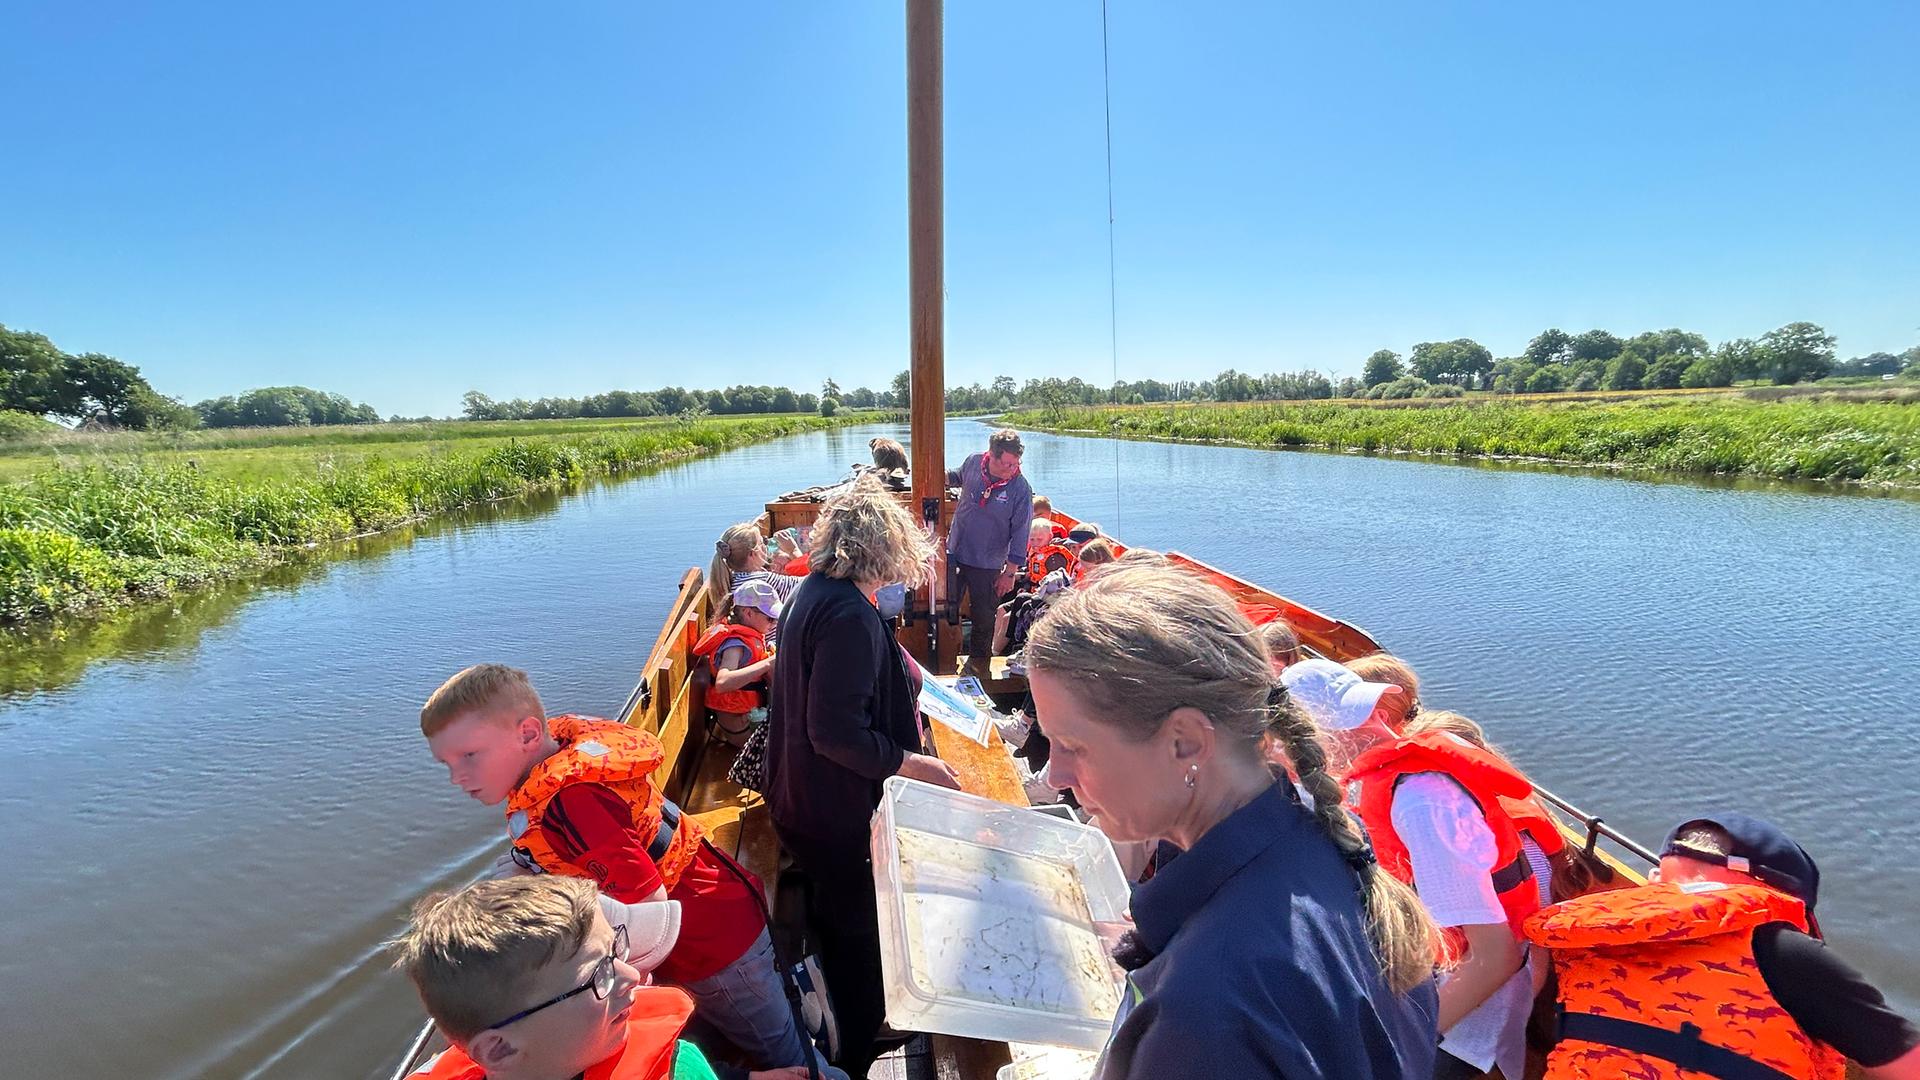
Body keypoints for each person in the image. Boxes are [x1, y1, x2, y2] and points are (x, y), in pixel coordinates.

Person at [1024, 562, 1440, 1078]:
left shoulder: (1201, 1014)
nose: (1057, 775)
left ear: (1187, 741)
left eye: (1071, 746)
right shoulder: (1324, 843)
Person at [420, 664, 843, 1080]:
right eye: (447, 764)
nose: (457, 777)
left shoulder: (573, 802)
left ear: (528, 734)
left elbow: (649, 903)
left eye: (469, 756)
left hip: (715, 949)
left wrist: (620, 980)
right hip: (721, 911)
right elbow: (545, 855)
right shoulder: (554, 772)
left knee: (786, 1054)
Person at [764, 475, 961, 1077]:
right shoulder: (847, 613)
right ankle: (861, 1038)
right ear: (887, 548)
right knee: (855, 927)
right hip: (832, 812)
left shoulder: (815, 591)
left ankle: (850, 1012)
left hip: (799, 795)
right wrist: (914, 762)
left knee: (838, 911)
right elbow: (836, 734)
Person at [1282, 657, 1553, 1080]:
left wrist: (1401, 1041)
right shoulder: (1368, 777)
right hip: (1426, 972)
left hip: (1467, 1017)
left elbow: (1494, 957)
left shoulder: (1424, 803)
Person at [1526, 814, 1920, 1079]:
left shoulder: (1587, 935)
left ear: (1657, 878)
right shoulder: (1785, 950)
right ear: (1775, 893)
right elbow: (1908, 1067)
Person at [391, 875, 813, 1080]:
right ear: (498, 1049)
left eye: (617, 951)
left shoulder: (677, 1064)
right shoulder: (678, 1068)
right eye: (599, 976)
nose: (634, 976)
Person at [944, 428, 1033, 667]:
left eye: (1015, 464)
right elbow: (958, 476)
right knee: (946, 610)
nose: (1011, 469)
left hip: (988, 563)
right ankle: (944, 659)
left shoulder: (1020, 489)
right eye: (1006, 463)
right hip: (955, 553)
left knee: (983, 617)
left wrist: (1010, 572)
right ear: (990, 456)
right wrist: (940, 476)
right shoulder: (974, 462)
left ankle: (979, 665)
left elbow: (1021, 532)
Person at [690, 580, 780, 745]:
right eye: (770, 618)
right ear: (748, 613)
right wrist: (767, 664)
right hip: (741, 730)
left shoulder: (750, 636)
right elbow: (723, 682)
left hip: (752, 717)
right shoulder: (735, 645)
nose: (774, 624)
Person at [709, 523, 804, 612]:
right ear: (752, 554)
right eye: (763, 543)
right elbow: (812, 584)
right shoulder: (765, 581)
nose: (766, 547)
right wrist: (794, 551)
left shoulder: (728, 580)